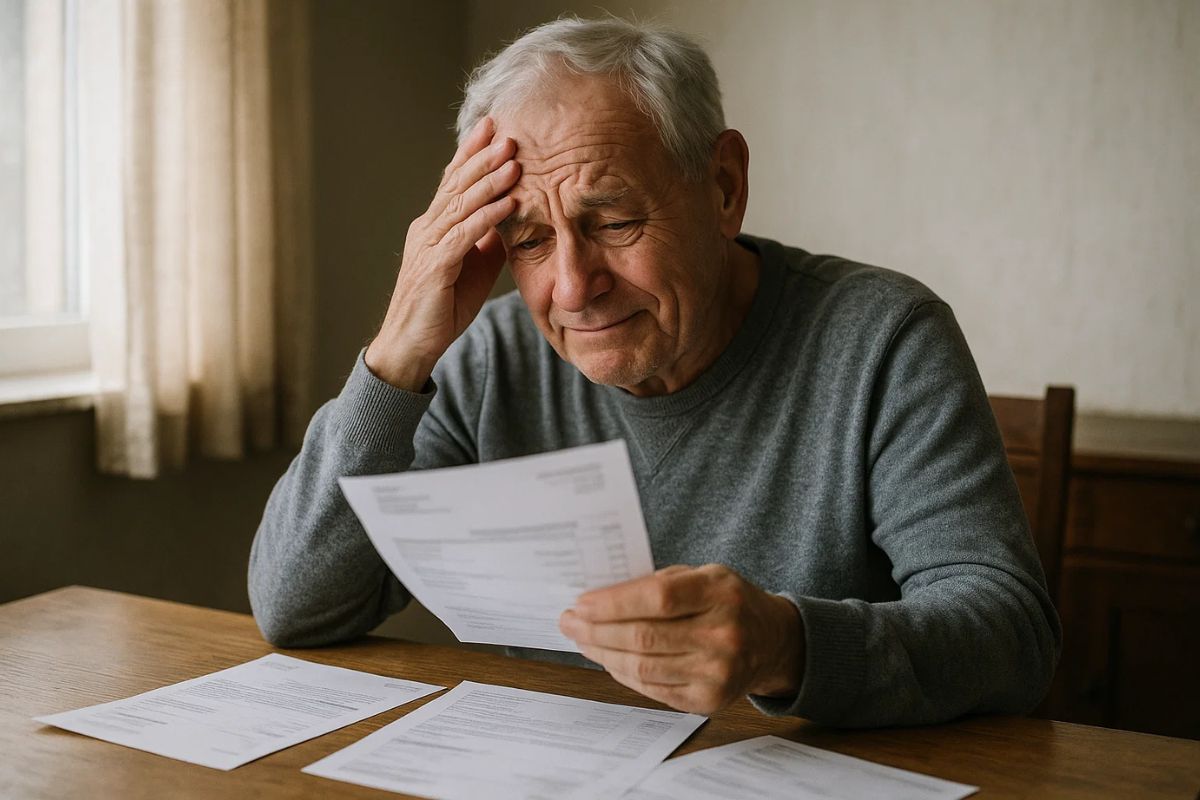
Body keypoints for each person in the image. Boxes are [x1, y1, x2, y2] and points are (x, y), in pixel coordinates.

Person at [249, 16, 1060, 727]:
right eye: (528, 240)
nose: (571, 286)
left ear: (724, 187)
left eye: (612, 219)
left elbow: (1011, 636)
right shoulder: (492, 357)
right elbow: (297, 606)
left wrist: (787, 646)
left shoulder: (883, 338)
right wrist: (396, 355)